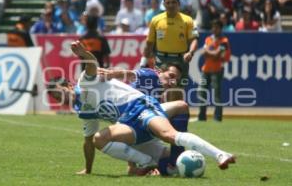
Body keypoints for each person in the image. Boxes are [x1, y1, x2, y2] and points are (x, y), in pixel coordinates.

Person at [47, 41, 236, 175]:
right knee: (99, 139)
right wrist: (88, 170)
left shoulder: (84, 82)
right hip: (128, 124)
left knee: (169, 135)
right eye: (56, 98)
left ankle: (220, 154)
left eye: (60, 92)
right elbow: (88, 141)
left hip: (139, 107)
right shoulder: (83, 111)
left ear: (69, 86)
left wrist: (83, 53)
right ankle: (148, 163)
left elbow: (91, 65)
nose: (61, 99)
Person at [141, 0, 199, 101]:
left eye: (173, 2)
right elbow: (149, 43)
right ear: (163, 4)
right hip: (161, 59)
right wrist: (143, 62)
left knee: (177, 93)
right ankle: (160, 114)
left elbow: (194, 40)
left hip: (180, 59)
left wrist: (190, 52)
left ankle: (177, 115)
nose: (171, 5)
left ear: (179, 4)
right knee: (163, 88)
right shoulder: (156, 20)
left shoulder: (188, 20)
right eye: (168, 2)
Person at [197, 19, 231, 122]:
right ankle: (202, 117)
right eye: (213, 27)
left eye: (216, 27)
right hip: (205, 70)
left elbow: (217, 55)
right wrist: (211, 52)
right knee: (201, 92)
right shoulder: (208, 39)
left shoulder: (224, 41)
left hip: (217, 70)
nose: (214, 29)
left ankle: (217, 117)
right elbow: (204, 52)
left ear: (220, 28)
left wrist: (209, 52)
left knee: (216, 95)